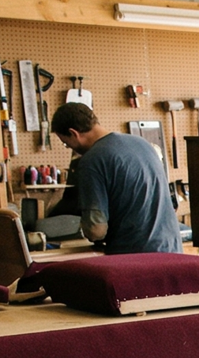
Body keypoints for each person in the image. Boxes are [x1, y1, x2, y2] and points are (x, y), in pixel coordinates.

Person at [48, 103, 182, 255]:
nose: (69, 148)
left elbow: (96, 230)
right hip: (171, 250)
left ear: (74, 133)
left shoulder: (92, 160)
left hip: (134, 257)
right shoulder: (142, 144)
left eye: (66, 143)